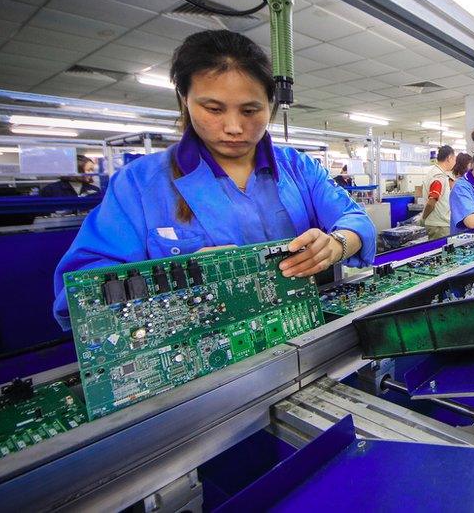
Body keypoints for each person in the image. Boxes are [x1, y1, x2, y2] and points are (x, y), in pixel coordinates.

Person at [51, 30, 376, 330]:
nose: (234, 127)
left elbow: (355, 220)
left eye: (250, 111)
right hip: (197, 348)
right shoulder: (137, 185)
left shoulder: (299, 168)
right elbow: (80, 292)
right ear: (185, 100)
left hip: (299, 331)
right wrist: (180, 277)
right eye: (214, 109)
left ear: (270, 105)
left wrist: (337, 243)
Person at [420, 144, 456, 240]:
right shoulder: (438, 177)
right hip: (440, 226)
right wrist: (423, 218)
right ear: (449, 158)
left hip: (439, 224)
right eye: (454, 159)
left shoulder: (437, 174)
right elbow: (432, 202)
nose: (455, 162)